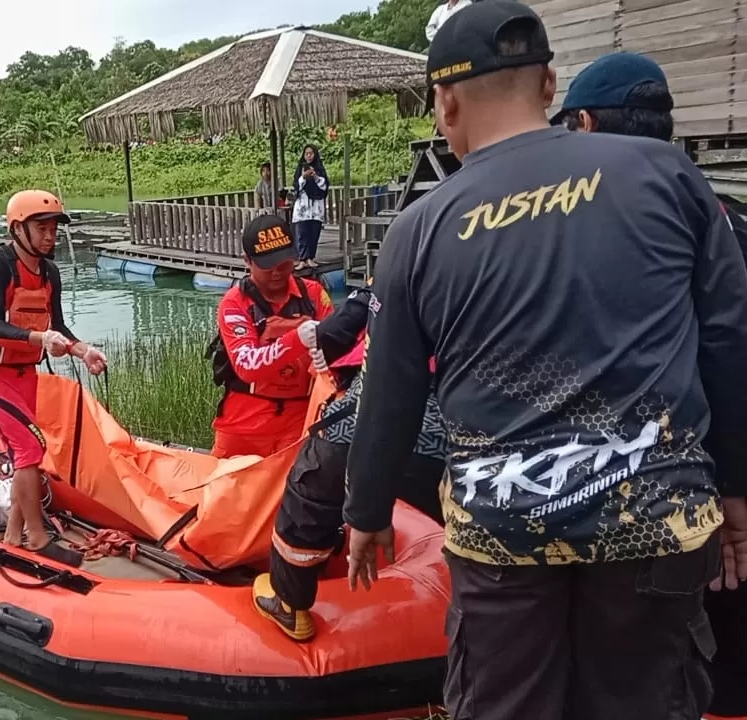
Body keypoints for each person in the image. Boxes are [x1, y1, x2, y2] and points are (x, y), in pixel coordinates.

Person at [340, 4, 747, 720]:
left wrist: (367, 508)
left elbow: (391, 389)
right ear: (551, 85)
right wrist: (737, 484)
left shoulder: (420, 228)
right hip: (655, 518)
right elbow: (727, 342)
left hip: (503, 534)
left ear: (447, 101)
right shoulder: (668, 175)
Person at [553, 50, 747, 720]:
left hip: (646, 491)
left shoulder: (578, 230)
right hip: (713, 474)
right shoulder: (720, 213)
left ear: (581, 123)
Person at [251, 278, 448, 641]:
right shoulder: (526, 267)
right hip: (465, 427)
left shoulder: (410, 250)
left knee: (310, 487)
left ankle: (289, 602)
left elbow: (347, 320)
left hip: (379, 410)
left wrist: (321, 339)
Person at [0, 189, 108, 568]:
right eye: (41, 228)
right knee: (31, 450)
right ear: (18, 229)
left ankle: (13, 534)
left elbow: (57, 325)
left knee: (22, 453)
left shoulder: (49, 272)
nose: (50, 236)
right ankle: (37, 538)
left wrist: (84, 350)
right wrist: (38, 338)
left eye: (53, 228)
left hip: (24, 373)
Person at [206, 214, 332, 459]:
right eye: (267, 266)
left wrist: (329, 358)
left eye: (284, 264)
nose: (277, 273)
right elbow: (246, 366)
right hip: (242, 427)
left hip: (299, 424)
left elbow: (341, 349)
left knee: (297, 495)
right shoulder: (235, 303)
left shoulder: (315, 295)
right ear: (247, 261)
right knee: (224, 495)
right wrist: (298, 338)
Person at [291, 145, 329, 267]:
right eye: (306, 153)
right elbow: (296, 186)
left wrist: (315, 176)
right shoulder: (300, 168)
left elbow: (324, 186)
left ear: (315, 154)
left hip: (316, 207)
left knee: (314, 233)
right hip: (303, 206)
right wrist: (303, 177)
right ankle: (302, 259)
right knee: (302, 233)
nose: (308, 156)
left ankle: (311, 257)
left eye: (311, 153)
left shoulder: (320, 169)